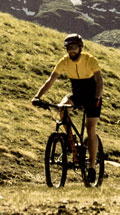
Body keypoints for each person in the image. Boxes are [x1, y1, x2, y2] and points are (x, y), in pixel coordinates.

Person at [32, 33, 103, 174]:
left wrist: (97, 97)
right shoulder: (64, 61)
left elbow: (99, 80)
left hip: (92, 96)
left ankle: (92, 166)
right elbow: (51, 80)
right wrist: (37, 96)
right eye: (69, 48)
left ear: (80, 48)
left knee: (90, 129)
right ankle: (71, 139)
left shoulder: (90, 60)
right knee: (62, 108)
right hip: (77, 95)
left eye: (74, 47)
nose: (71, 50)